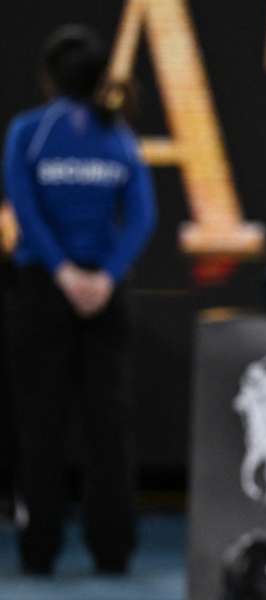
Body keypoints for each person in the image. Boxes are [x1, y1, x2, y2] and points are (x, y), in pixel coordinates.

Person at [2, 24, 156, 574]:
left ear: (48, 77)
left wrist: (65, 274)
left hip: (45, 289)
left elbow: (23, 208)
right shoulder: (117, 134)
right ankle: (113, 553)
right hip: (102, 292)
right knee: (107, 425)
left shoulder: (28, 131)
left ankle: (38, 551)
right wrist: (105, 276)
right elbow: (141, 217)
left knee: (40, 423)